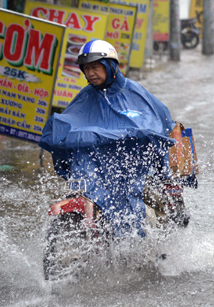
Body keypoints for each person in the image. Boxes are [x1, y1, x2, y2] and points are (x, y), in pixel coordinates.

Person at [39, 39, 187, 238]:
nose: (91, 73)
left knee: (155, 214)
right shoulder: (85, 97)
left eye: (95, 67)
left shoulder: (136, 94)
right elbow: (66, 123)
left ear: (110, 66)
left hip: (135, 172)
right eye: (86, 69)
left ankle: (157, 250)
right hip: (92, 173)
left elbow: (160, 126)